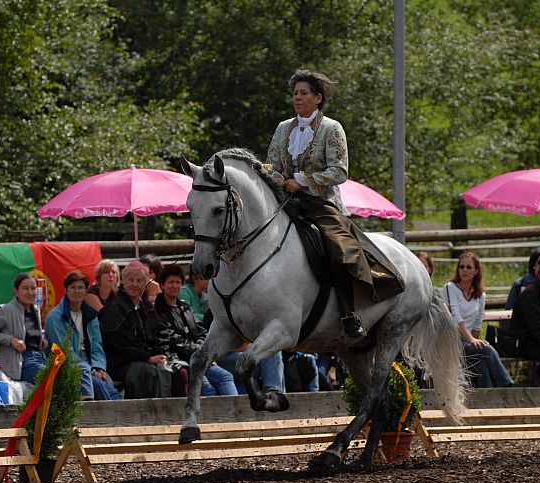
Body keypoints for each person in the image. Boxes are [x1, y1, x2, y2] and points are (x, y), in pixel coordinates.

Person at [266, 69, 404, 338]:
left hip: (320, 202)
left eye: (303, 93)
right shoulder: (283, 128)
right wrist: (276, 178)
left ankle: (349, 313)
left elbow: (339, 171)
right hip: (284, 199)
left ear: (318, 98)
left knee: (340, 250)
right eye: (295, 93)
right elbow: (271, 164)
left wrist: (301, 181)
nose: (297, 98)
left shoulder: (332, 128)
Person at [154, 264, 232, 396]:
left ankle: (238, 409)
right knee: (207, 388)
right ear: (162, 285)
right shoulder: (158, 311)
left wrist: (202, 349)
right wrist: (200, 351)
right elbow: (173, 341)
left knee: (226, 376)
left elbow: (202, 332)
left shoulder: (185, 308)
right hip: (181, 361)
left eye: (178, 282)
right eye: (171, 282)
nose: (175, 286)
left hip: (199, 358)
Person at [99, 261, 173, 399]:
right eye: (131, 280)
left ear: (145, 284)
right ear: (124, 282)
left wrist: (161, 353)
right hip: (120, 362)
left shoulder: (146, 305)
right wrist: (148, 357)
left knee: (178, 370)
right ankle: (150, 410)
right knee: (150, 373)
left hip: (146, 357)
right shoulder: (114, 308)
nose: (134, 284)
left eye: (139, 280)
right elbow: (119, 345)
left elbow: (161, 332)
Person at [44, 271, 121, 401]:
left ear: (86, 291)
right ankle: (110, 415)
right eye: (73, 287)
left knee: (111, 390)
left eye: (80, 288)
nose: (77, 291)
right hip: (67, 364)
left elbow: (97, 346)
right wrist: (92, 371)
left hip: (90, 363)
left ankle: (120, 414)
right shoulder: (55, 317)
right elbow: (64, 351)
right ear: (66, 290)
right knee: (99, 386)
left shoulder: (91, 315)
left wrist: (99, 368)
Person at [443, 252, 514, 388]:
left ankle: (490, 395)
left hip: (467, 343)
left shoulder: (481, 295)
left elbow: (477, 325)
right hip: (451, 342)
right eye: (461, 267)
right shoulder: (450, 288)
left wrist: (475, 342)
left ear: (476, 271)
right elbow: (455, 317)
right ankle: (507, 385)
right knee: (487, 350)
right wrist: (472, 340)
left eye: (469, 267)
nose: (464, 270)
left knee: (481, 362)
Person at [0, 273, 48, 384]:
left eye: (33, 288)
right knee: (52, 377)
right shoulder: (5, 310)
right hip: (21, 363)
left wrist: (40, 339)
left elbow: (28, 333)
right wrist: (11, 340)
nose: (30, 292)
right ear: (16, 291)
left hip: (40, 358)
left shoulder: (35, 310)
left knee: (67, 374)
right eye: (25, 288)